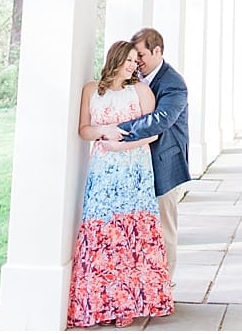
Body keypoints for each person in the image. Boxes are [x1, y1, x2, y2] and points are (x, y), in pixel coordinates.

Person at [66, 41, 174, 328]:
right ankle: (100, 304)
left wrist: (122, 146)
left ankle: (127, 304)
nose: (132, 65)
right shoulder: (91, 90)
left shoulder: (141, 91)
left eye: (134, 61)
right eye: (127, 60)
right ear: (114, 59)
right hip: (102, 173)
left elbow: (153, 134)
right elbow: (84, 129)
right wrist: (104, 132)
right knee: (102, 234)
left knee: (130, 235)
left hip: (134, 170)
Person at [98, 27, 191, 279]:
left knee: (164, 229)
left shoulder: (174, 83)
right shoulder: (134, 78)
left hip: (165, 164)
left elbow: (159, 120)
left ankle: (166, 284)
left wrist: (117, 130)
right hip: (136, 165)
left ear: (157, 51)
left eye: (141, 55)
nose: (136, 61)